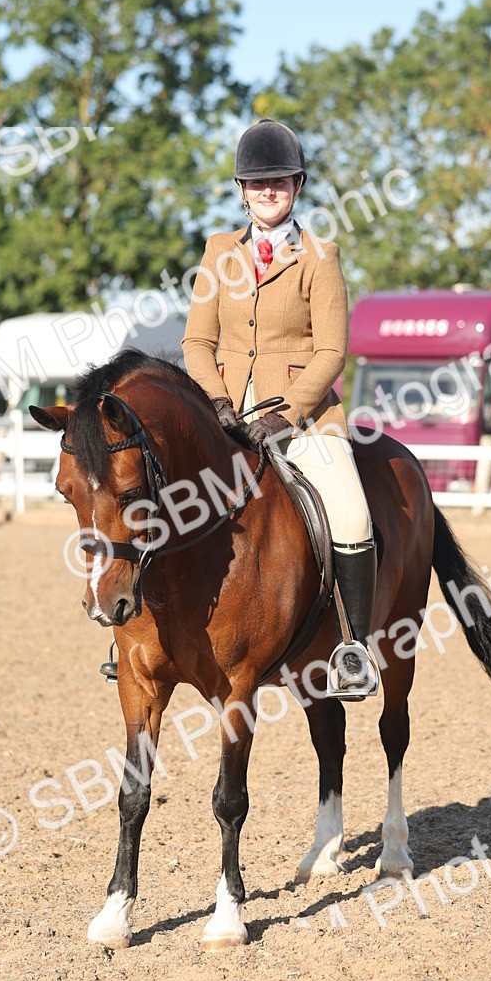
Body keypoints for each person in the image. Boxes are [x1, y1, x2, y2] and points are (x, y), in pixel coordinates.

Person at [182, 118, 380, 699]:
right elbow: (197, 342)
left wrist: (288, 414)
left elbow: (332, 351)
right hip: (225, 412)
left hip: (304, 416)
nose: (269, 192)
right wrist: (216, 400)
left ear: (297, 186)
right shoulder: (218, 252)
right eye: (257, 183)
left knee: (350, 515)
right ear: (242, 189)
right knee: (157, 492)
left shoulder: (321, 256)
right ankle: (146, 636)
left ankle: (353, 650)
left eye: (280, 182)